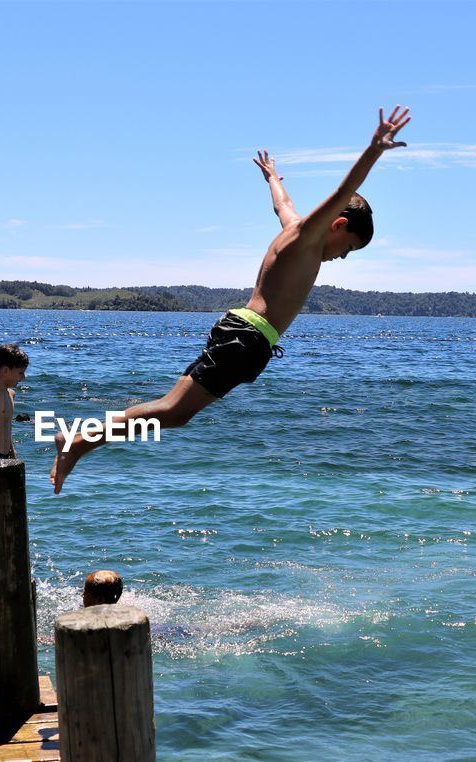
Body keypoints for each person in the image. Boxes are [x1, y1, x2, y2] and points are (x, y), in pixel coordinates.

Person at [50, 105, 411, 493]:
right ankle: (79, 439)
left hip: (245, 337)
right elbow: (342, 191)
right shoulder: (308, 236)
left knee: (175, 411)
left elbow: (282, 204)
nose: (342, 257)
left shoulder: (295, 229)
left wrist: (273, 177)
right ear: (338, 224)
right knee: (173, 411)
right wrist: (374, 150)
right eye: (349, 247)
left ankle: (81, 438)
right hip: (245, 338)